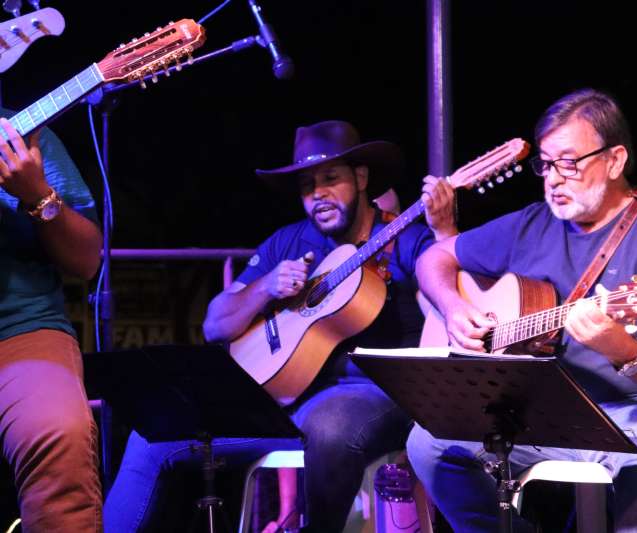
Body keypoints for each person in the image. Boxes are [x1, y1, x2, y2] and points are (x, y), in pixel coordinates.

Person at [103, 120, 456, 532]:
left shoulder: (403, 237)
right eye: (307, 185)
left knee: (327, 428)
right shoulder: (288, 241)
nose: (317, 194)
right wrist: (266, 287)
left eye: (330, 179)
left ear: (361, 178)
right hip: (280, 399)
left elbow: (454, 287)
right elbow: (215, 325)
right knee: (156, 433)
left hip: (373, 393)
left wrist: (445, 231)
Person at [405, 88, 637, 532]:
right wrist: (453, 309)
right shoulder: (532, 223)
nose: (552, 178)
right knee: (429, 443)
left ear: (615, 160)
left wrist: (624, 349)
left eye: (568, 163)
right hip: (544, 412)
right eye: (546, 164)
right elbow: (434, 258)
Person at [0, 111, 103, 532]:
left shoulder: (19, 134)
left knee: (59, 432)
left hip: (19, 327)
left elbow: (86, 260)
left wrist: (37, 195)